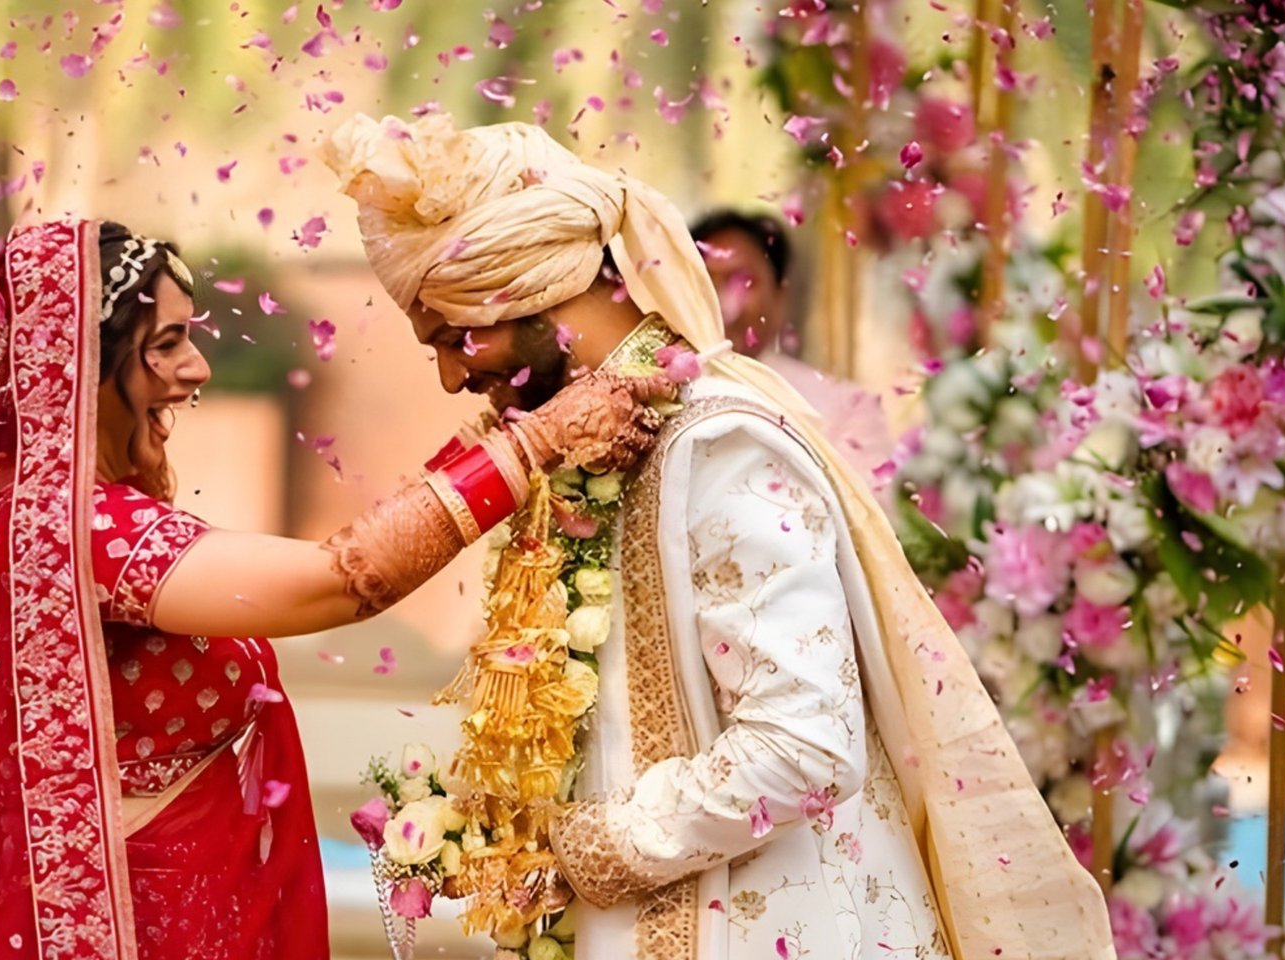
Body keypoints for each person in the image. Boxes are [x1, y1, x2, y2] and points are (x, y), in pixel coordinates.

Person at [325, 113, 1113, 960]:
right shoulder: (579, 443)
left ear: (528, 285)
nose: (451, 377)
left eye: (456, 337)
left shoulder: (718, 441)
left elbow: (804, 745)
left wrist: (576, 845)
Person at [0, 218, 674, 960]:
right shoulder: (70, 531)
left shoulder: (52, 520)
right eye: (166, 343)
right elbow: (342, 579)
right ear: (75, 374)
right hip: (140, 927)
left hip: (183, 906)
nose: (199, 368)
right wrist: (538, 442)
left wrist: (505, 426)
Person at [691, 208, 894, 479]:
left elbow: (868, 516)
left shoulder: (847, 411)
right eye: (703, 282)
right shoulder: (647, 398)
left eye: (741, 281)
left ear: (779, 296)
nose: (719, 300)